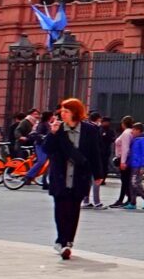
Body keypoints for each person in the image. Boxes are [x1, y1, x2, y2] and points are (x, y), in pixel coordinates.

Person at [39, 97, 106, 260]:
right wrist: (53, 133)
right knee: (60, 209)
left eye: (66, 111)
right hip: (60, 176)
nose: (63, 114)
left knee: (74, 209)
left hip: (79, 175)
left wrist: (98, 174)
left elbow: (95, 153)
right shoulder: (58, 129)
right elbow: (47, 149)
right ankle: (62, 240)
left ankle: (68, 241)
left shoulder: (89, 130)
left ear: (75, 113)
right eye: (62, 111)